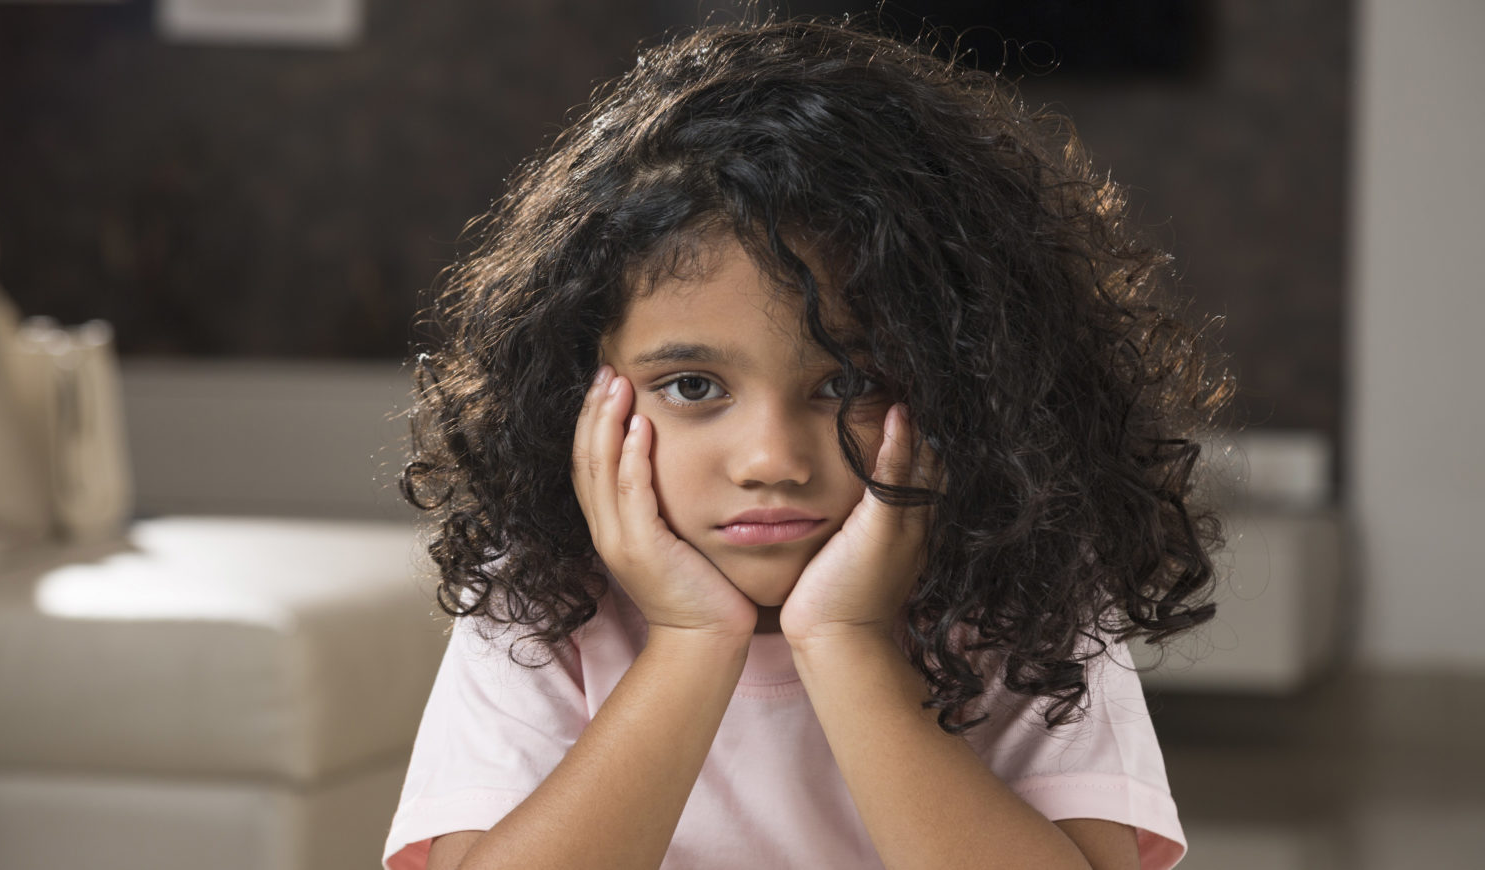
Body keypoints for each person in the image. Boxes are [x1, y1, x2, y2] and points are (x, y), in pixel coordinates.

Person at [384, 15, 1234, 870]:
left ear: (968, 384)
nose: (772, 462)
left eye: (847, 385)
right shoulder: (539, 596)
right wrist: (689, 641)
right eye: (693, 387)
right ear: (578, 396)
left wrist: (846, 641)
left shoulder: (1027, 588)